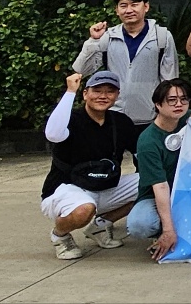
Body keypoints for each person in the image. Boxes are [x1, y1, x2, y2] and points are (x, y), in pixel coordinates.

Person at [41, 71, 138, 260]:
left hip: (105, 185)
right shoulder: (70, 119)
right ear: (85, 94)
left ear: (117, 95)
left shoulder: (121, 122)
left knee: (157, 184)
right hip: (66, 189)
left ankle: (100, 226)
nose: (103, 96)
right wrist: (70, 91)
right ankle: (60, 236)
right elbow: (52, 134)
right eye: (97, 91)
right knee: (84, 209)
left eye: (110, 91)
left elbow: (140, 154)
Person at [74, 0, 178, 135]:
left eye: (134, 5)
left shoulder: (162, 37)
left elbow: (170, 80)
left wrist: (166, 113)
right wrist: (93, 40)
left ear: (146, 7)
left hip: (150, 117)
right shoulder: (108, 37)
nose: (129, 10)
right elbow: (81, 70)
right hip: (113, 115)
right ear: (117, 10)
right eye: (123, 6)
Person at [126, 77, 191, 261]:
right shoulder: (148, 141)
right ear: (158, 105)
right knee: (140, 225)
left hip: (189, 189)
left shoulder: (188, 119)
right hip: (158, 193)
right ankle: (163, 232)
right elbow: (160, 186)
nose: (179, 104)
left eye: (184, 99)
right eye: (172, 100)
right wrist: (168, 230)